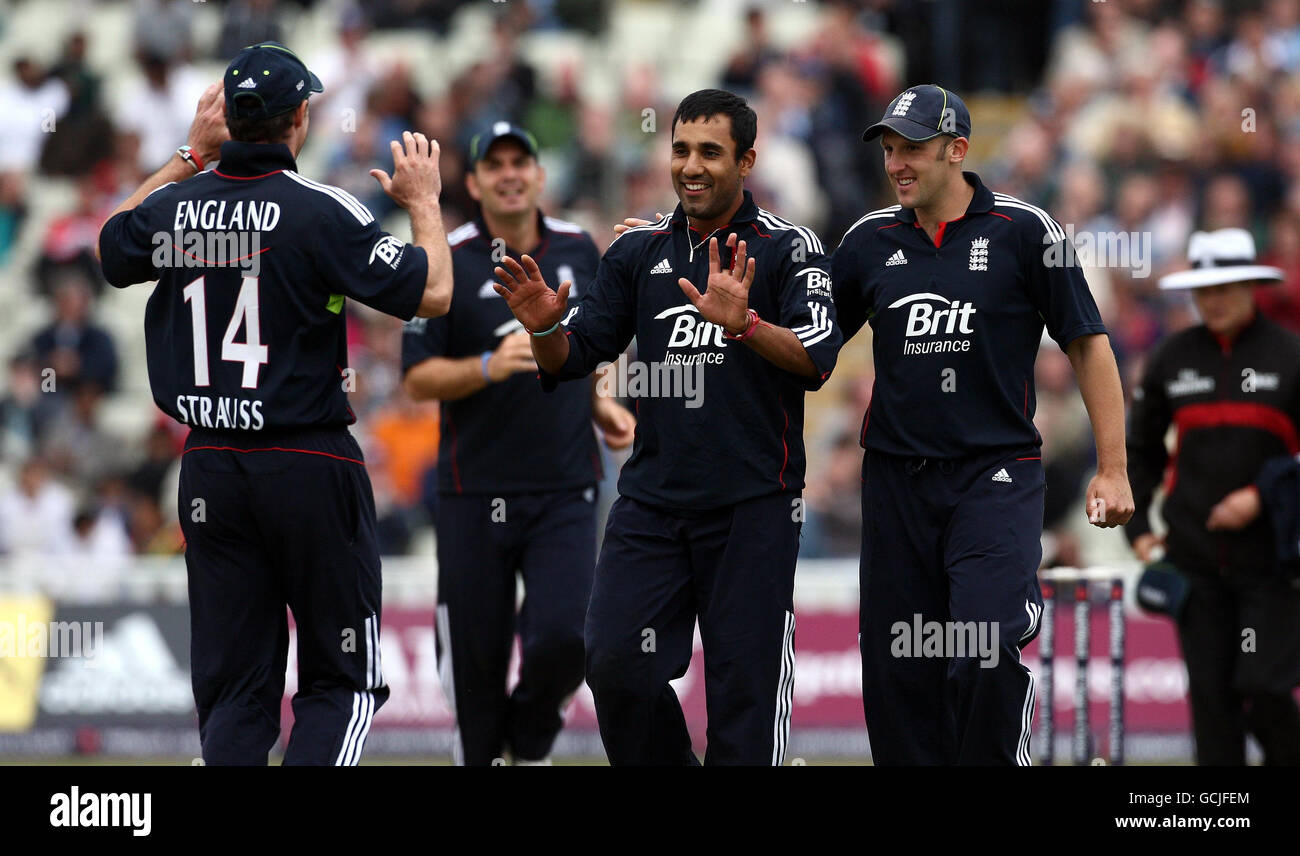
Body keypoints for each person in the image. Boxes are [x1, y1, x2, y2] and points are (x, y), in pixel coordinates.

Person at [97, 41, 453, 765]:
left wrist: (185, 158)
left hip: (210, 470)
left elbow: (110, 246)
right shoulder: (318, 210)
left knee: (235, 690)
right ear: (299, 120)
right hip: (305, 459)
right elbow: (433, 293)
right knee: (343, 679)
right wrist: (424, 202)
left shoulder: (178, 205)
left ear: (227, 120)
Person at [493, 89, 842, 765]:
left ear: (747, 160)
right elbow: (572, 358)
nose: (690, 165)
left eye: (710, 152)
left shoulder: (789, 248)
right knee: (617, 665)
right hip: (652, 506)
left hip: (754, 508)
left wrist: (743, 323)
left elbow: (817, 359)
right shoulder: (636, 254)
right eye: (680, 149)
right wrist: (541, 327)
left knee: (745, 706)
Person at [832, 84, 1134, 765]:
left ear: (957, 151)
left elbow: (1089, 343)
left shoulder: (1027, 232)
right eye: (888, 149)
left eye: (912, 148)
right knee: (898, 675)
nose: (896, 163)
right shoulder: (866, 242)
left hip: (993, 476)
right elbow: (810, 346)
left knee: (982, 646)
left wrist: (1113, 468)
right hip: (894, 485)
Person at [402, 122, 635, 765]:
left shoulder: (579, 249)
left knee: (568, 636)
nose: (509, 173)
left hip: (565, 486)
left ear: (538, 175)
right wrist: (487, 366)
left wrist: (603, 401)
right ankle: (484, 751)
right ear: (473, 182)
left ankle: (528, 742)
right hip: (471, 491)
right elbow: (416, 378)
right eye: (493, 164)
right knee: (474, 665)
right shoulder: (444, 254)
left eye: (520, 162)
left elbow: (593, 347)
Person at [1128, 227, 1300, 765]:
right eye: (1205, 290)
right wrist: (1139, 533)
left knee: (1266, 689)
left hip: (1272, 567)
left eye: (1226, 287)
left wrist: (1261, 498)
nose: (1215, 300)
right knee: (1212, 705)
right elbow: (1139, 452)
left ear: (1251, 285)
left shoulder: (1290, 356)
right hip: (1195, 566)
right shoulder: (1171, 359)